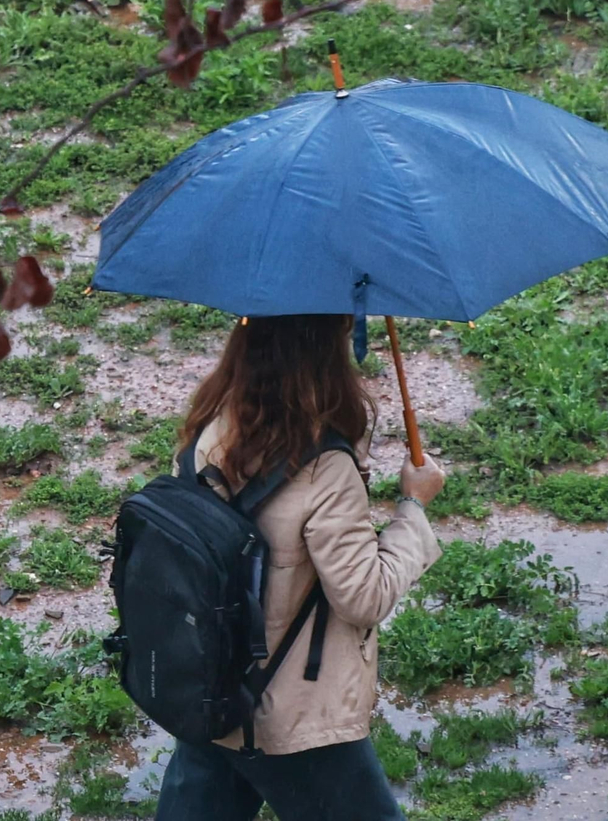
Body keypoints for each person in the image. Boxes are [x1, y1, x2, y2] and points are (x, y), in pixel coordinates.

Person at [153, 314, 446, 821]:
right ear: (327, 357)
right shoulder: (324, 468)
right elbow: (365, 597)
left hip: (213, 688)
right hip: (294, 715)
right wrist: (413, 506)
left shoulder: (212, 427)